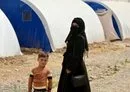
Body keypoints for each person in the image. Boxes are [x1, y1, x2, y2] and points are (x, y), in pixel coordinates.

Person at [57, 17, 91, 92]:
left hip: (75, 67)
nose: (74, 27)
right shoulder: (72, 36)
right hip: (68, 63)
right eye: (73, 25)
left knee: (74, 86)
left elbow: (77, 56)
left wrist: (70, 68)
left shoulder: (80, 39)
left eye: (76, 25)